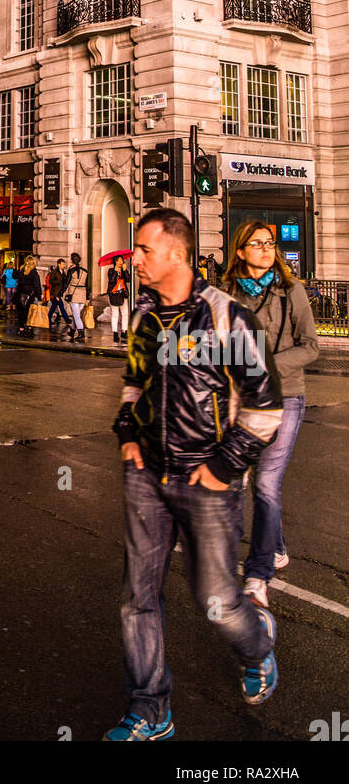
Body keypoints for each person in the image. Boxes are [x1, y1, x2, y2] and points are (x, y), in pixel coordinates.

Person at [105, 208, 284, 741]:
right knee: (138, 597)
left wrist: (222, 466)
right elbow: (133, 383)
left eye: (143, 250)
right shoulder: (143, 318)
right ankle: (151, 707)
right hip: (147, 479)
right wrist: (127, 433)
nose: (134, 259)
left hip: (208, 483)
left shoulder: (227, 319)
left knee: (218, 603)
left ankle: (258, 644)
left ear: (177, 254)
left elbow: (265, 408)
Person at [223, 221, 319, 608]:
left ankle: (260, 567)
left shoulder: (291, 290)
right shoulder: (226, 293)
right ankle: (275, 545)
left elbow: (310, 345)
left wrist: (266, 366)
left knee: (265, 483)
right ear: (241, 251)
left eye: (270, 243)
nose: (266, 249)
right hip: (240, 400)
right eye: (257, 243)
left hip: (286, 397)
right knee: (239, 482)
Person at [12, 255, 41, 338]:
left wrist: (15, 268)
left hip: (20, 294)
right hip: (29, 295)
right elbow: (37, 285)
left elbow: (15, 276)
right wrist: (39, 296)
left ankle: (21, 328)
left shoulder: (21, 270)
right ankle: (29, 327)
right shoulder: (33, 273)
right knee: (29, 312)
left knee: (21, 312)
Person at [63, 252, 89, 342]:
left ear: (72, 260)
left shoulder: (71, 271)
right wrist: (88, 297)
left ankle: (81, 333)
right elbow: (87, 285)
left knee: (76, 315)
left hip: (74, 294)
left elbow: (66, 283)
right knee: (76, 314)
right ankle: (72, 331)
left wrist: (61, 292)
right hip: (83, 294)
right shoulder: (85, 271)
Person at [107, 255, 130, 343]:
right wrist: (116, 272)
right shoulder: (111, 271)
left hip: (122, 294)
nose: (121, 262)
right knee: (115, 314)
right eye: (119, 260)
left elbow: (128, 280)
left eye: (122, 260)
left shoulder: (124, 271)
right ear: (115, 262)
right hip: (114, 294)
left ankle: (124, 331)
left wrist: (124, 271)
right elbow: (111, 281)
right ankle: (115, 333)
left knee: (125, 313)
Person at [47, 258, 71, 336]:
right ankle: (67, 319)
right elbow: (51, 281)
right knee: (61, 306)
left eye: (64, 264)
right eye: (63, 264)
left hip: (59, 292)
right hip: (55, 293)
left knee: (53, 307)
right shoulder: (54, 272)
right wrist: (55, 294)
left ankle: (48, 318)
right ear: (59, 264)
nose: (64, 265)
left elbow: (65, 280)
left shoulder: (63, 272)